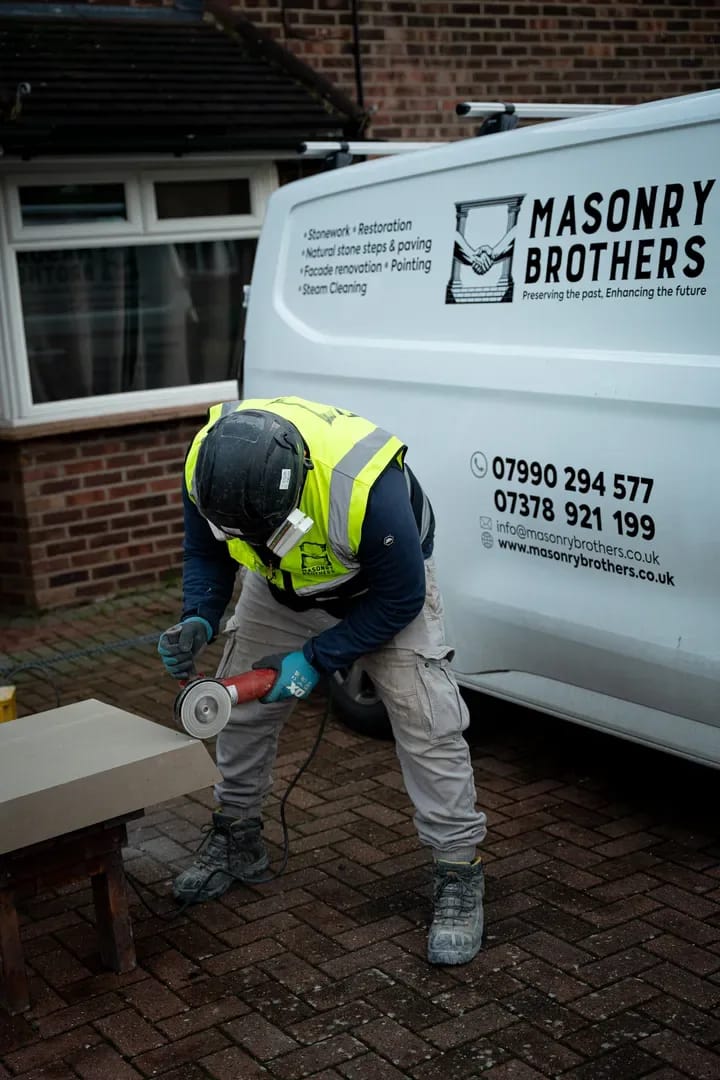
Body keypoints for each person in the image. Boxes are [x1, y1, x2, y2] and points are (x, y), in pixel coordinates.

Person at [158, 395, 487, 966]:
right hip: (281, 588)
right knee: (240, 704)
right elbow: (205, 551)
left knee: (426, 722)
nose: (251, 536)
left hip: (378, 589)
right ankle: (237, 838)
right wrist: (199, 615)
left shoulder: (364, 489)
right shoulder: (206, 465)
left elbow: (402, 595)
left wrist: (317, 657)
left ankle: (458, 870)